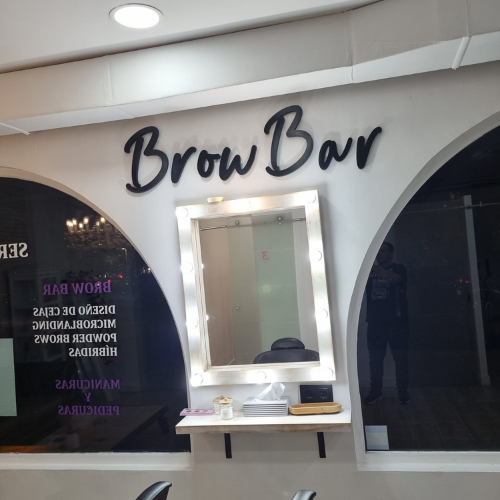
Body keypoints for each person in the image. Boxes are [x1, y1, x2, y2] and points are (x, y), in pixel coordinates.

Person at [364, 241, 410, 404]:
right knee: (375, 359)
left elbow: (396, 279)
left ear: (391, 254)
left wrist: (373, 268)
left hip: (397, 323)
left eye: (383, 251)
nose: (380, 253)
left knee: (401, 359)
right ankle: (376, 392)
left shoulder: (398, 269)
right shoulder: (367, 272)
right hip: (375, 323)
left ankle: (403, 393)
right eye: (378, 251)